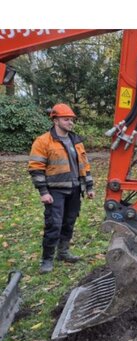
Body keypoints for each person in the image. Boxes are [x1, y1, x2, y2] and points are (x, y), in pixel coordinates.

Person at [28, 103, 95, 274]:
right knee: (54, 224)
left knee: (69, 222)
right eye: (66, 119)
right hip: (55, 191)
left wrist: (89, 186)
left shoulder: (76, 140)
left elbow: (84, 165)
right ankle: (47, 259)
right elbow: (36, 168)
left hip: (74, 189)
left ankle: (63, 252)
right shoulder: (43, 141)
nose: (70, 122)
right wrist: (43, 192)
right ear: (55, 120)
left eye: (72, 120)